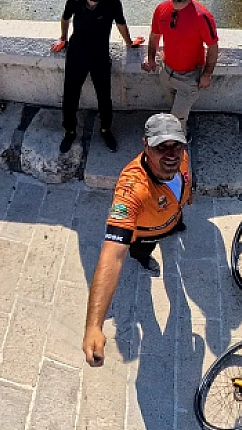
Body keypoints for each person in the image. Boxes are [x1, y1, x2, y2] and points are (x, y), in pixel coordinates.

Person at [83, 114, 194, 366]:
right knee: (142, 252)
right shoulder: (131, 189)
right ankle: (144, 260)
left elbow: (186, 177)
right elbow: (112, 255)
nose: (171, 154)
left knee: (176, 226)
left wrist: (188, 196)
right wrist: (94, 325)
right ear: (145, 145)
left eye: (176, 145)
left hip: (173, 217)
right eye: (161, 147)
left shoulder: (182, 157)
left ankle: (174, 227)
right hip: (145, 235)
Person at [54, 0, 138, 152]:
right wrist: (63, 38)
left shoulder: (113, 2)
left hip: (100, 55)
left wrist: (130, 43)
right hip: (76, 54)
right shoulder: (74, 0)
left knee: (104, 97)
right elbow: (65, 18)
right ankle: (69, 131)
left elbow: (121, 24)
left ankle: (105, 129)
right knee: (70, 96)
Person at [141, 0, 219, 127]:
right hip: (166, 72)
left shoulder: (202, 16)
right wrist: (151, 58)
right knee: (175, 111)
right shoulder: (161, 10)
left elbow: (213, 47)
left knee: (176, 121)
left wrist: (207, 74)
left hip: (189, 78)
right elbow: (155, 35)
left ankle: (181, 138)